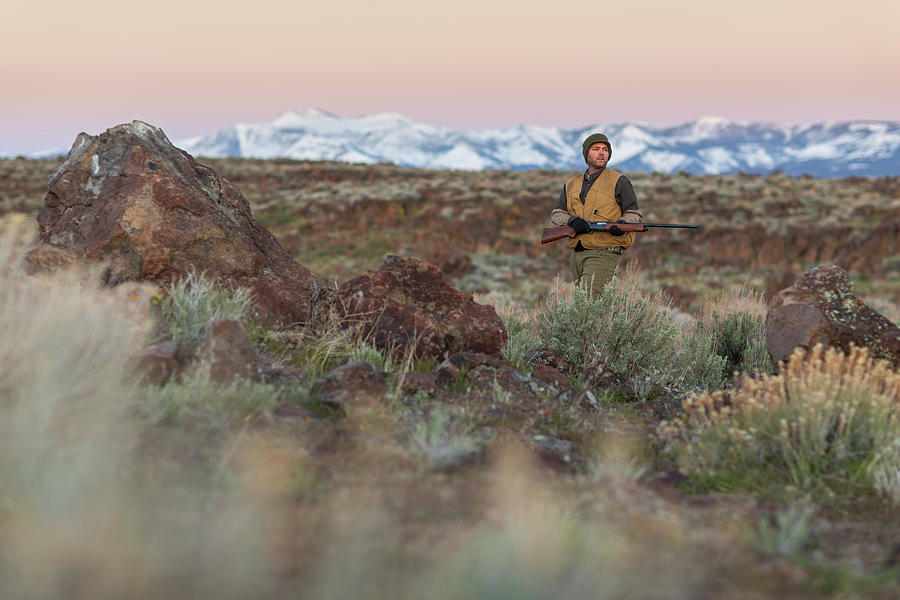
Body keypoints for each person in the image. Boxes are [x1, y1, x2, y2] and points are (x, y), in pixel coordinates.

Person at [549, 132, 643, 296]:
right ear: (586, 154)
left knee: (590, 302)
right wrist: (572, 220)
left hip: (604, 251)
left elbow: (634, 213)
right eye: (596, 149)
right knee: (584, 304)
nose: (602, 153)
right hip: (578, 253)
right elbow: (557, 214)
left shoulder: (619, 181)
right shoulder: (572, 183)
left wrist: (621, 224)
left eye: (605, 150)